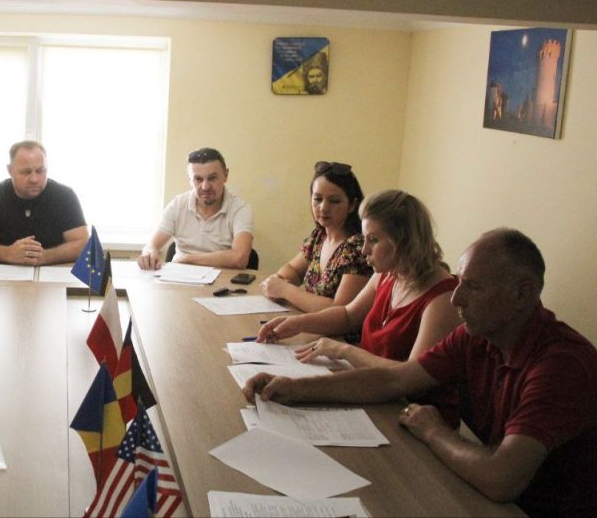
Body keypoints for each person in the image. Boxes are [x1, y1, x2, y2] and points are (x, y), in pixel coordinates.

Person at [245, 229, 597, 516]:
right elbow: (397, 378)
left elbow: (501, 479)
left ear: (523, 294)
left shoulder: (561, 365)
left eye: (473, 287)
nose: (456, 298)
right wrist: (293, 388)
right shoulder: (479, 334)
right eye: (459, 282)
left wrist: (433, 431)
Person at [257, 189, 460, 371]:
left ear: (404, 242)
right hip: (370, 383)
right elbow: (348, 316)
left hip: (401, 399)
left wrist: (345, 351)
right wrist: (297, 323)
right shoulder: (389, 273)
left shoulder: (443, 298)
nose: (364, 250)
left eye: (373, 240)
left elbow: (411, 375)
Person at [261, 161, 373, 312]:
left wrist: (285, 290)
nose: (323, 207)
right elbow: (294, 269)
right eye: (317, 199)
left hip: (334, 328)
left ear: (352, 205)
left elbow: (339, 311)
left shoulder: (358, 248)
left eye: (334, 201)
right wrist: (279, 279)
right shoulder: (319, 237)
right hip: (308, 322)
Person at [0, 140, 88, 266]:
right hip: (2, 275)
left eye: (40, 171)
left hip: (51, 274)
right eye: (26, 172)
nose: (34, 179)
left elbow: (84, 244)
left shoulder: (64, 196)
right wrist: (7, 254)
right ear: (10, 170)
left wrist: (45, 257)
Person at [137, 147, 254, 270]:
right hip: (179, 277)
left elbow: (239, 258)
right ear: (189, 179)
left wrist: (189, 259)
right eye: (198, 179)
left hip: (222, 279)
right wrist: (149, 253)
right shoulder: (178, 205)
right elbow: (151, 246)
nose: (205, 186)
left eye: (212, 178)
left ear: (225, 175)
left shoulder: (240, 209)